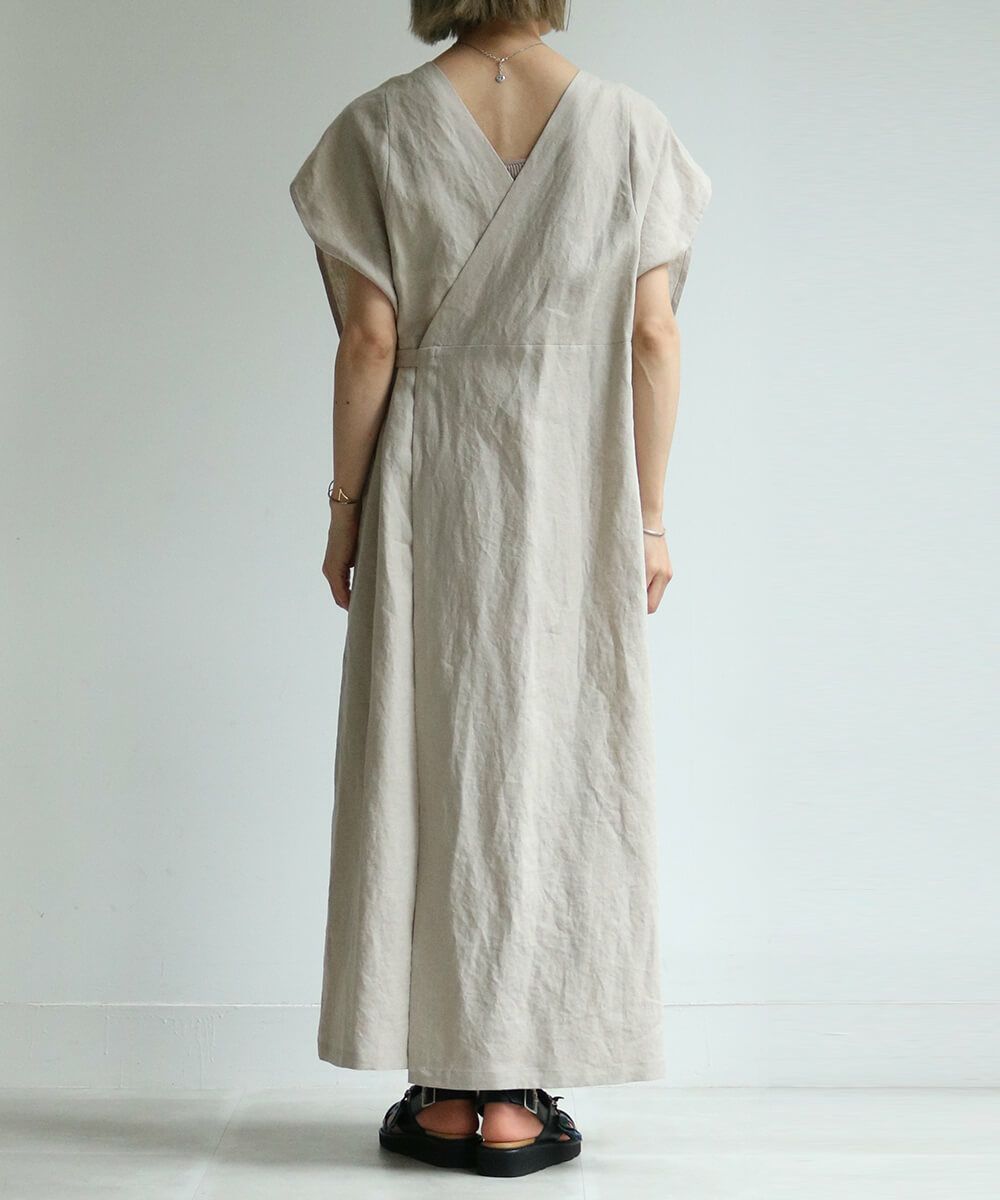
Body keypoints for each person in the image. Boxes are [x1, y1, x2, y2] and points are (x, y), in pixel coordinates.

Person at [289, 0, 712, 1178]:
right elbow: (653, 336)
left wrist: (345, 508)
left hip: (431, 483)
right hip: (576, 485)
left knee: (432, 757)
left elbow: (368, 341)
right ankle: (520, 1091)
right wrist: (650, 516)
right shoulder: (630, 129)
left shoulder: (375, 128)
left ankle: (445, 1087)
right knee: (561, 760)